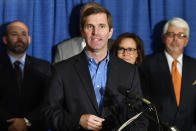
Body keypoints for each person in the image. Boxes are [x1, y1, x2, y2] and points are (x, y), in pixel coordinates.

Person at [42, 6, 148, 131]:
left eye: (101, 26)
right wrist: (78, 120)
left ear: (110, 32)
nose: (95, 32)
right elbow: (47, 113)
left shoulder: (129, 71)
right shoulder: (62, 70)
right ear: (82, 32)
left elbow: (140, 117)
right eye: (90, 26)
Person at [141, 17, 196, 131]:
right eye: (171, 34)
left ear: (186, 41)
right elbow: (142, 103)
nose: (175, 39)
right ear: (163, 38)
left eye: (181, 35)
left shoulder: (194, 66)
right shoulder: (147, 64)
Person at [0, 20, 52, 131]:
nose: (20, 38)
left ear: (29, 40)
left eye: (24, 34)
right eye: (14, 34)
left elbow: (49, 101)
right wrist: (11, 124)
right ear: (5, 39)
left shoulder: (44, 67)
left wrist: (27, 122)